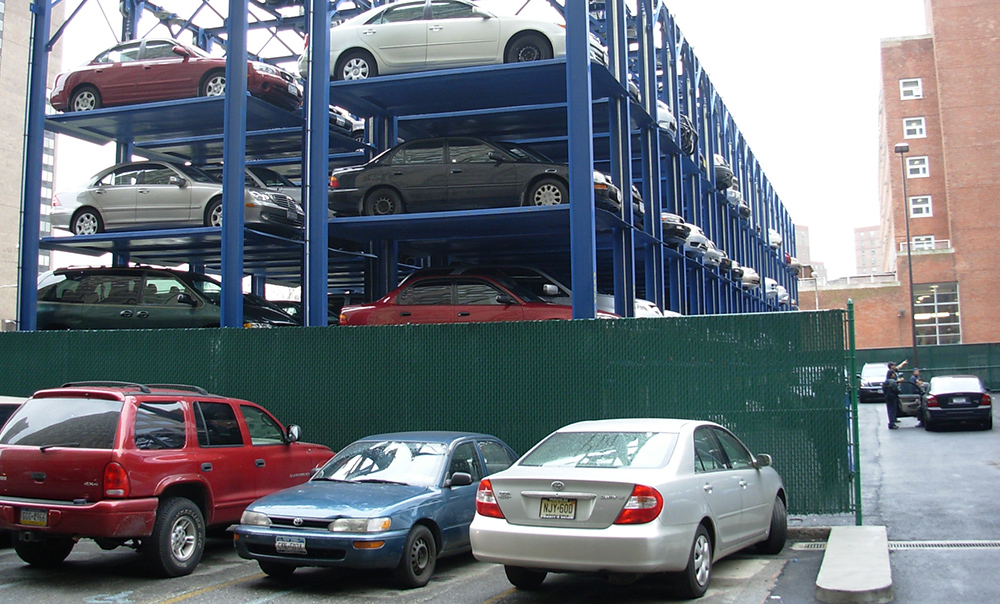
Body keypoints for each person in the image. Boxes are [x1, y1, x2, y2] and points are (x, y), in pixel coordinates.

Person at [883, 360, 907, 430]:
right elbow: (897, 389)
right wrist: (898, 384)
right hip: (892, 396)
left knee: (891, 409)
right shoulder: (892, 380)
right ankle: (892, 423)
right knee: (892, 409)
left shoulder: (887, 381)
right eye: (893, 365)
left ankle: (893, 419)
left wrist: (903, 363)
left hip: (888, 396)